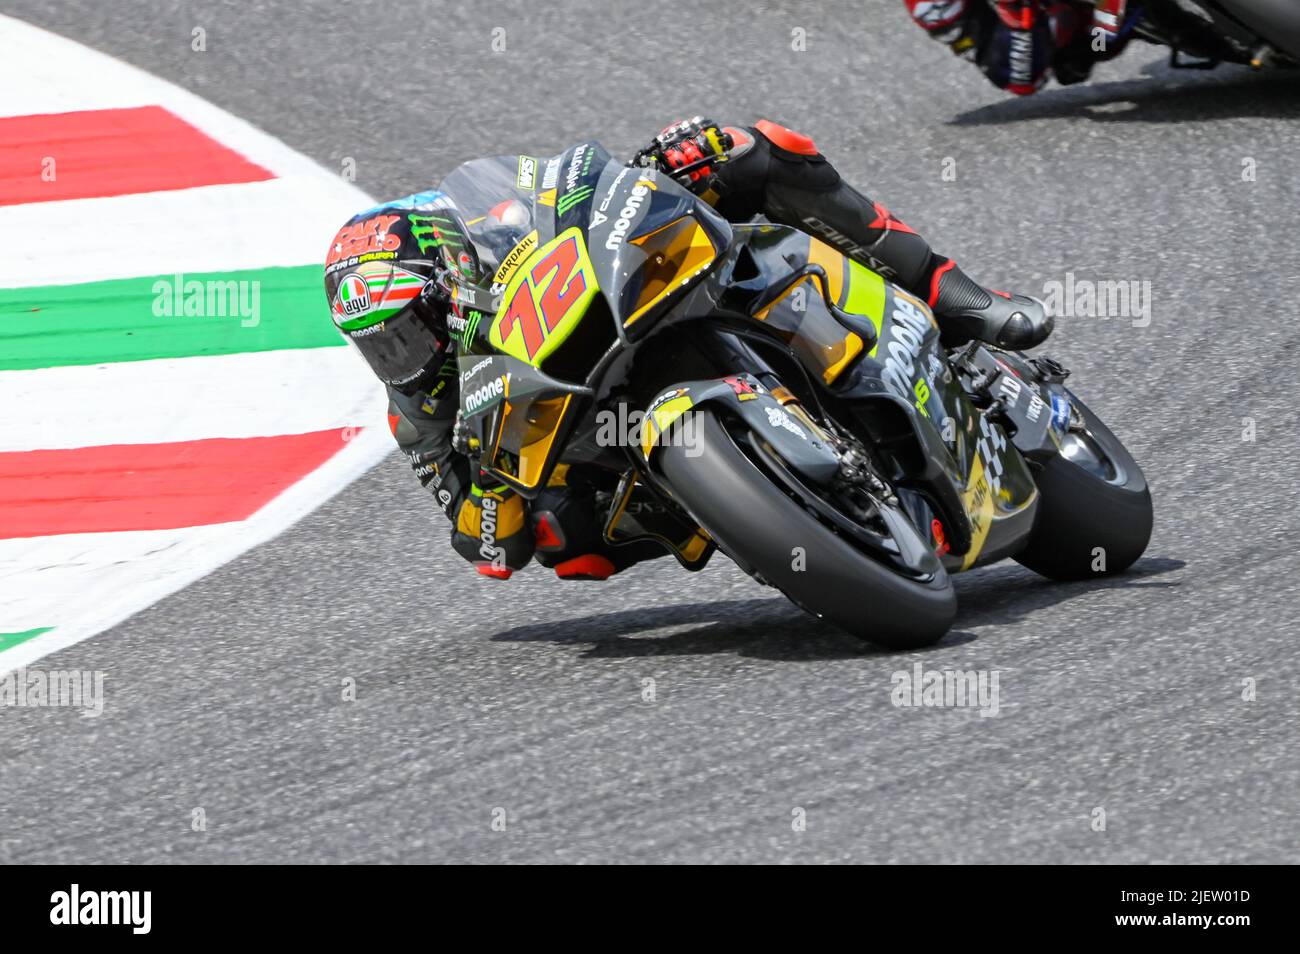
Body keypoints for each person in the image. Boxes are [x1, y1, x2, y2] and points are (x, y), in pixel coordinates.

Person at [322, 117, 1053, 581]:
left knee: (750, 150)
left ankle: (955, 294)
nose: (404, 356)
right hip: (597, 447)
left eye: (411, 327)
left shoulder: (500, 219)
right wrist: (494, 489)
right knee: (565, 543)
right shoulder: (417, 412)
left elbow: (568, 188)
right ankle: (757, 510)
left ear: (450, 278)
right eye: (381, 346)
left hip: (623, 299)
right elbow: (484, 551)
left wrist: (662, 161)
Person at [903, 0, 1132, 93]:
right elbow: (1020, 82)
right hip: (1082, 33)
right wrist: (1018, 19)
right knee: (1075, 63)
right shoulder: (935, 11)